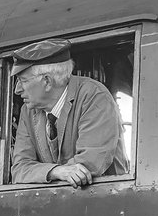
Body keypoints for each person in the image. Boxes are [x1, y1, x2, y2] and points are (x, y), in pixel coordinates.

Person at [8, 38, 129, 187]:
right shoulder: (28, 111)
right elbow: (19, 169)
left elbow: (88, 164)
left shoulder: (94, 96)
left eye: (23, 81)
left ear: (47, 81)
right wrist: (56, 171)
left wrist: (42, 173)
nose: (17, 89)